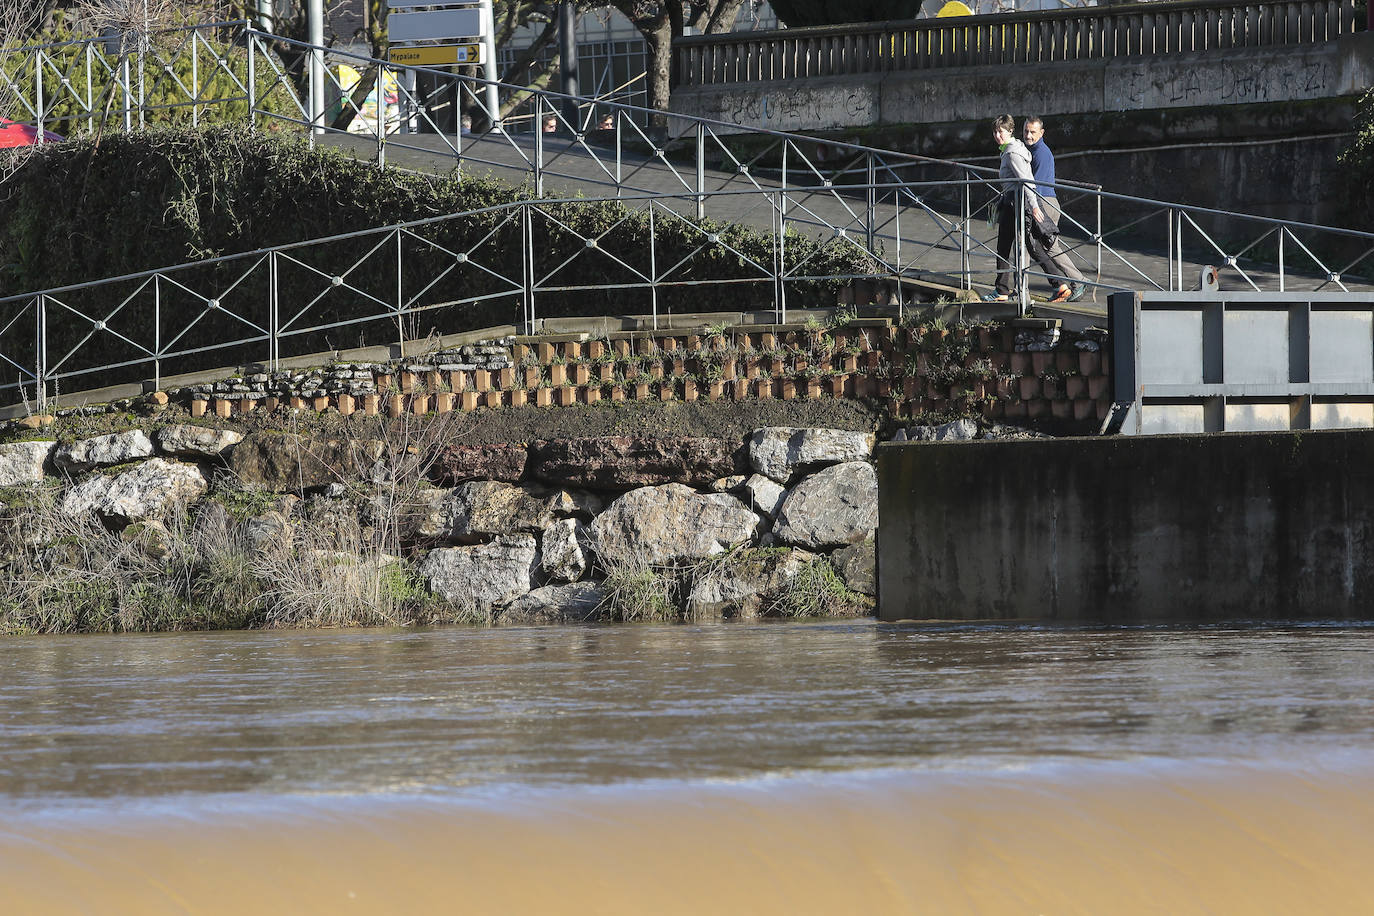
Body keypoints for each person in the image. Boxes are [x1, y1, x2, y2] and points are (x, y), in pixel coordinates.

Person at [983, 114, 1076, 304]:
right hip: (1013, 201)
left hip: (1016, 203)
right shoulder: (1013, 149)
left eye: (1000, 132)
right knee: (1024, 246)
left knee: (1025, 246)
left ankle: (1006, 289)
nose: (997, 136)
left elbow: (1027, 181)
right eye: (995, 132)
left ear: (1009, 131)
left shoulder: (1012, 153)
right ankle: (1056, 284)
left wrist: (1034, 206)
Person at [1023, 116, 1087, 303]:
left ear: (1041, 133)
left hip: (1044, 203)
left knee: (1044, 247)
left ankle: (1077, 281)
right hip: (1044, 202)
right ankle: (1067, 284)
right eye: (1026, 131)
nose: (1028, 135)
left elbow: (1036, 185)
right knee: (1045, 247)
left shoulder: (1041, 153)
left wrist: (1033, 207)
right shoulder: (1032, 151)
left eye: (1033, 132)